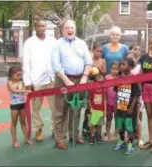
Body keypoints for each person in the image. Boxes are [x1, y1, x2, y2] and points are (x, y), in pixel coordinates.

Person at [51, 19, 93, 150]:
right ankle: (60, 139)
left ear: (75, 29)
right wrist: (66, 80)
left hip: (80, 79)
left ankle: (74, 135)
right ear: (62, 30)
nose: (70, 30)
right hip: (63, 80)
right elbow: (56, 65)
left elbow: (89, 61)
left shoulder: (82, 43)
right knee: (60, 111)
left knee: (76, 110)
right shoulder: (57, 44)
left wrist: (85, 76)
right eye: (67, 28)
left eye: (72, 28)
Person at [22, 19, 57, 142]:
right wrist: (27, 82)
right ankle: (38, 130)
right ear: (35, 27)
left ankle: (55, 129)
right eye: (39, 26)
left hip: (51, 79)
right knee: (36, 108)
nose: (41, 28)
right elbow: (25, 63)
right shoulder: (29, 43)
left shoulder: (52, 41)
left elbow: (57, 57)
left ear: (45, 27)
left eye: (43, 26)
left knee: (55, 107)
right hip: (36, 80)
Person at [113, 57, 141, 155]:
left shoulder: (133, 79)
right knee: (120, 126)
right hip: (120, 107)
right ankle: (121, 141)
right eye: (120, 64)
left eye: (123, 64)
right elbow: (116, 92)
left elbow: (136, 95)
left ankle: (130, 144)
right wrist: (115, 106)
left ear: (129, 67)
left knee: (129, 127)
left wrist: (132, 107)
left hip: (129, 108)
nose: (120, 66)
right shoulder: (119, 78)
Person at [7, 66, 33, 147]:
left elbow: (24, 93)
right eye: (17, 75)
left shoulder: (22, 83)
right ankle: (14, 141)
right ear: (11, 75)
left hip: (22, 104)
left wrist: (29, 93)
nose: (19, 77)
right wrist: (25, 90)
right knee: (14, 124)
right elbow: (14, 91)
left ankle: (26, 139)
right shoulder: (9, 82)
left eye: (20, 75)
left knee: (23, 122)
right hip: (14, 105)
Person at [88, 74, 107, 144]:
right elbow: (89, 99)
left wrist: (105, 109)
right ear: (95, 82)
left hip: (101, 110)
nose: (100, 84)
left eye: (102, 82)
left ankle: (99, 135)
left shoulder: (104, 90)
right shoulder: (92, 89)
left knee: (100, 124)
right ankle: (92, 136)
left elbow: (105, 99)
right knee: (92, 124)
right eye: (98, 82)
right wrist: (91, 108)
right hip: (93, 111)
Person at [104, 61, 120, 141]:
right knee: (109, 118)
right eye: (113, 69)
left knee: (117, 118)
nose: (114, 71)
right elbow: (105, 90)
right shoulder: (107, 77)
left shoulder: (120, 78)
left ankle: (115, 133)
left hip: (117, 103)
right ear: (110, 69)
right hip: (108, 102)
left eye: (116, 69)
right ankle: (107, 133)